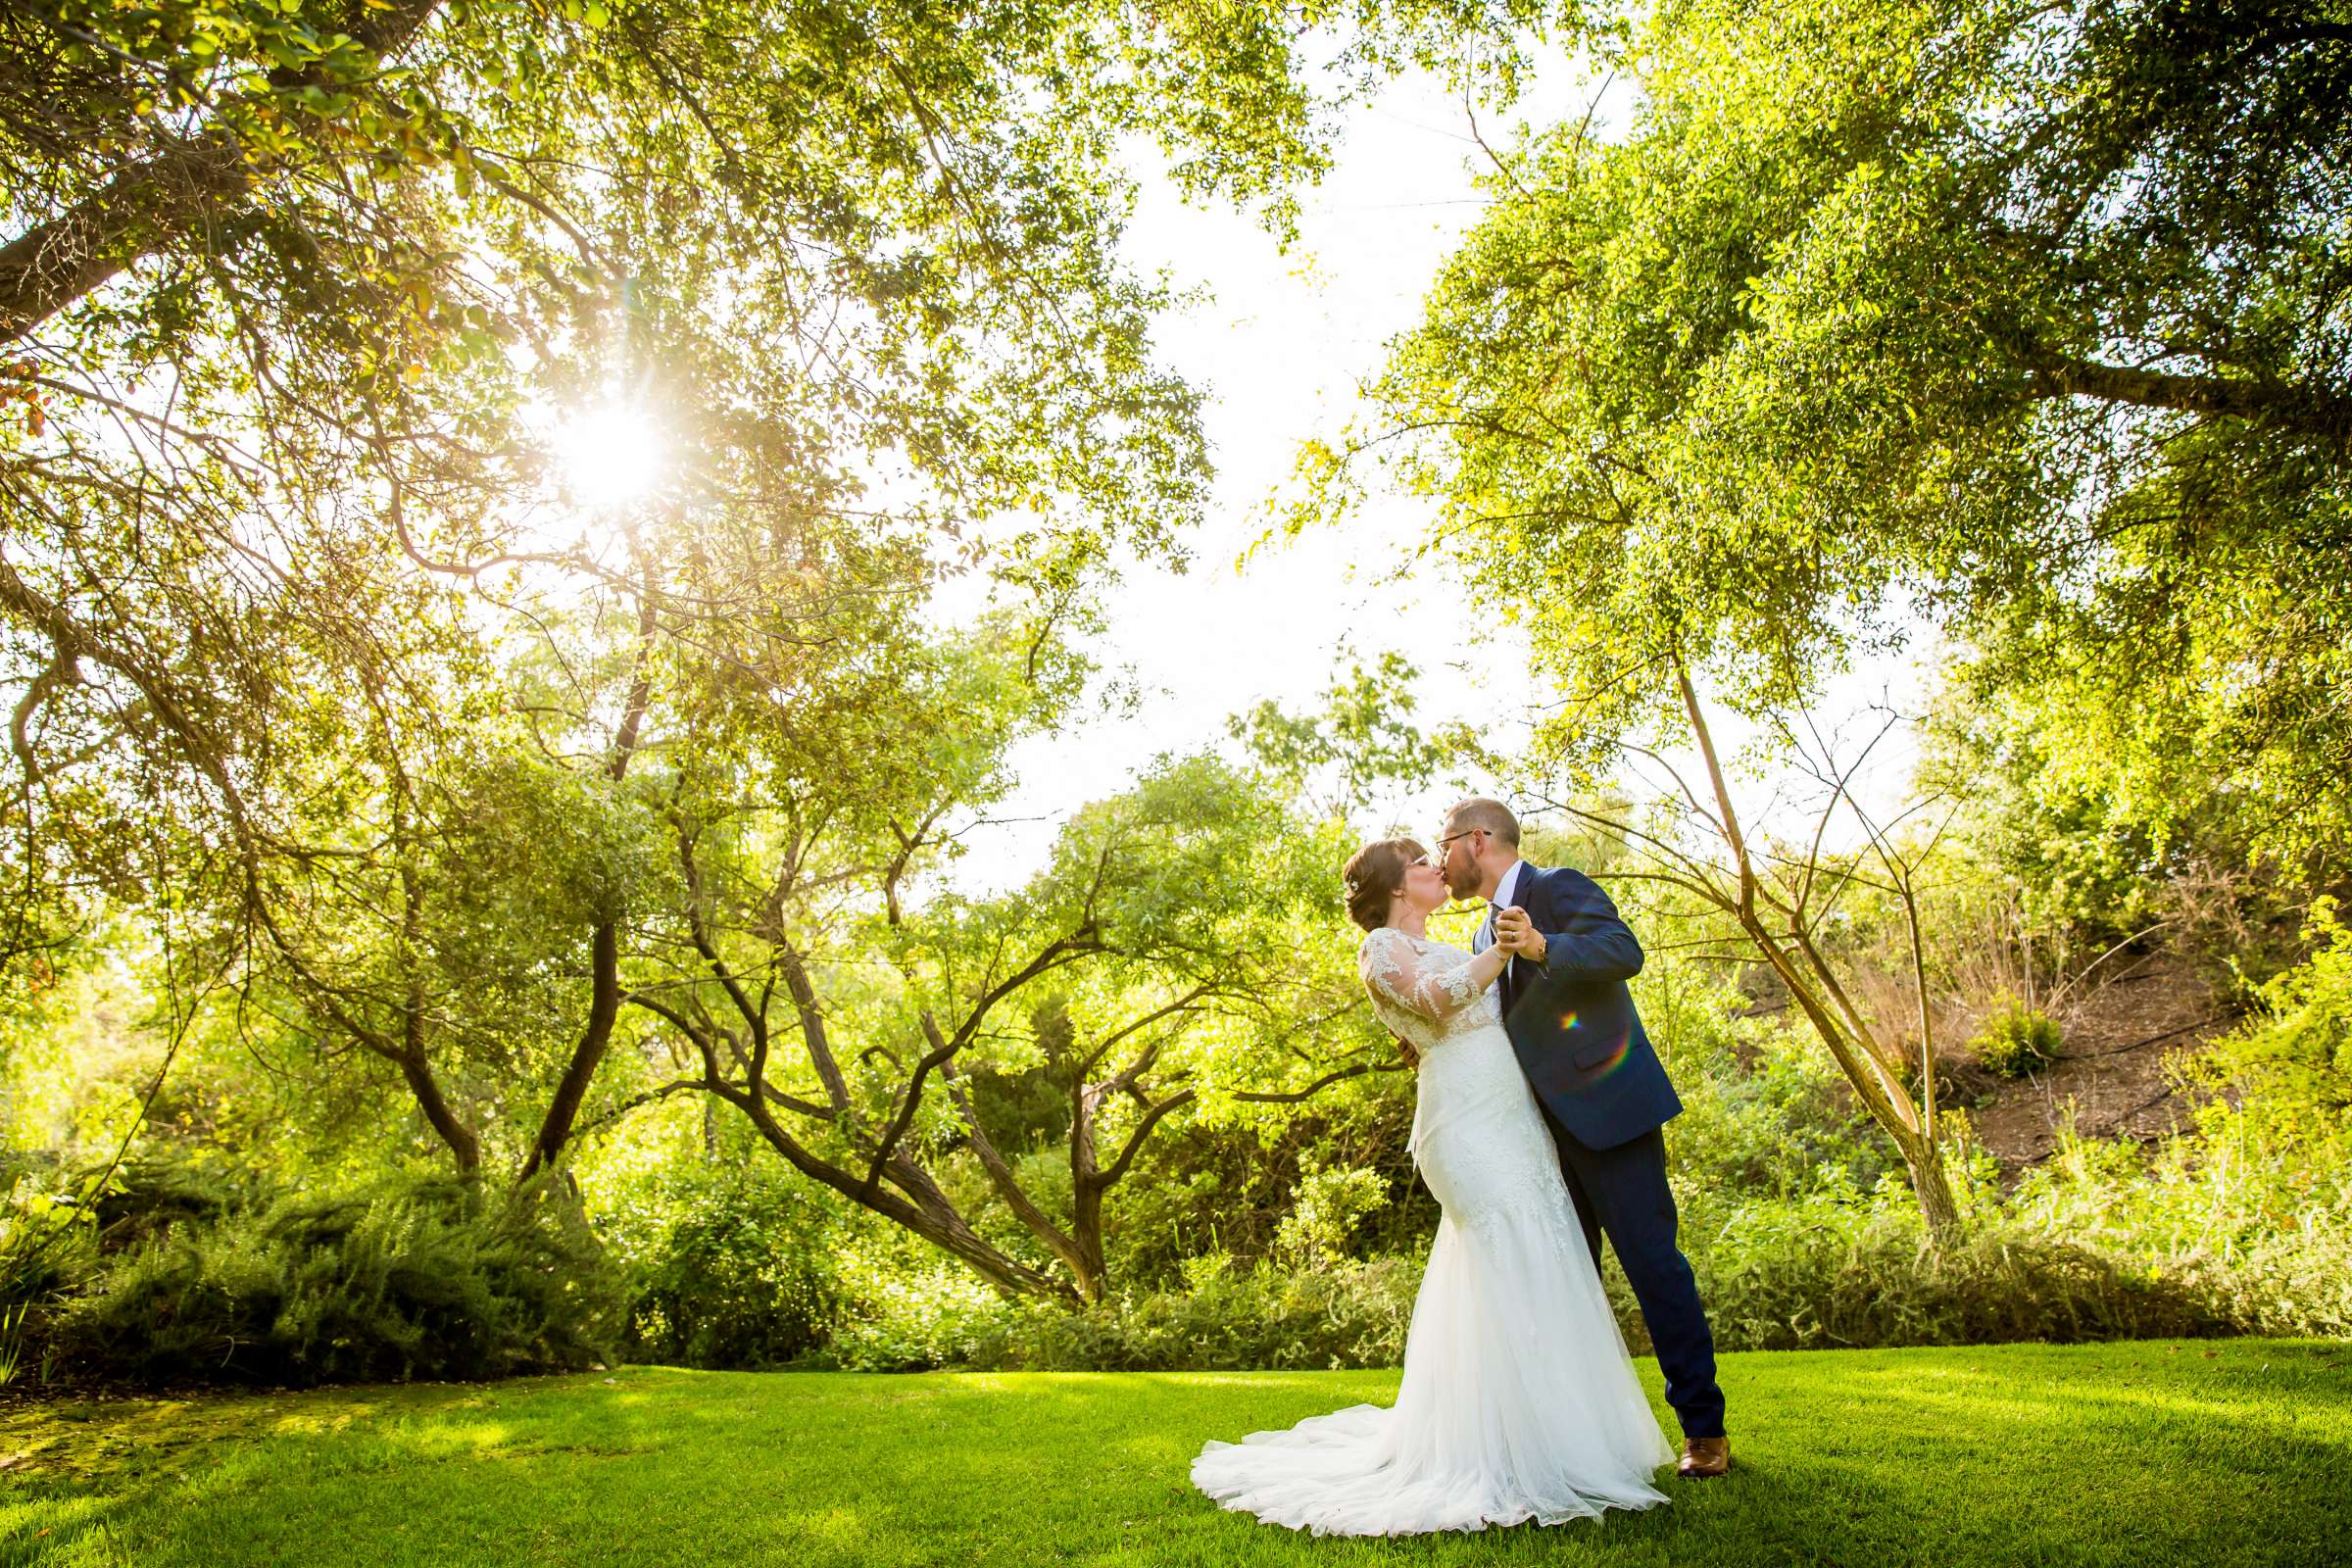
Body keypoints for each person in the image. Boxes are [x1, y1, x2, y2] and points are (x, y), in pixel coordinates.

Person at [1189, 825, 1682, 1537]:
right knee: (1502, 1261)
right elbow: (1436, 1000)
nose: (1434, 867)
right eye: (1421, 862)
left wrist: (1510, 955)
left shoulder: (1472, 935)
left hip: (1516, 1123)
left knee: (1543, 1262)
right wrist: (1503, 953)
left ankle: (1563, 1441)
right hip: (1467, 1128)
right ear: (1396, 886)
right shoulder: (1381, 948)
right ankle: (1498, 1454)